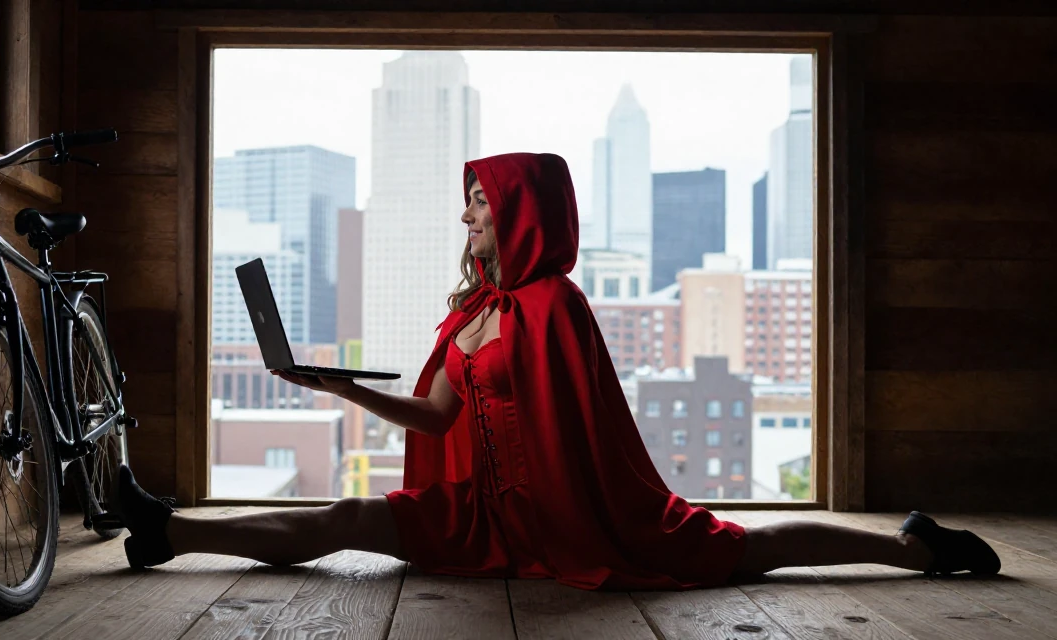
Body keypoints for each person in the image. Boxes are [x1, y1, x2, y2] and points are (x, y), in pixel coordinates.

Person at [116, 153, 1000, 587]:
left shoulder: (552, 307)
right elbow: (434, 421)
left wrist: (588, 516)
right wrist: (341, 387)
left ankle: (911, 548)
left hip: (572, 514)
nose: (467, 218)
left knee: (746, 551)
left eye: (480, 204)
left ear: (518, 215)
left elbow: (582, 427)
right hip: (481, 515)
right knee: (348, 516)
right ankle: (170, 532)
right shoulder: (470, 315)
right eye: (468, 204)